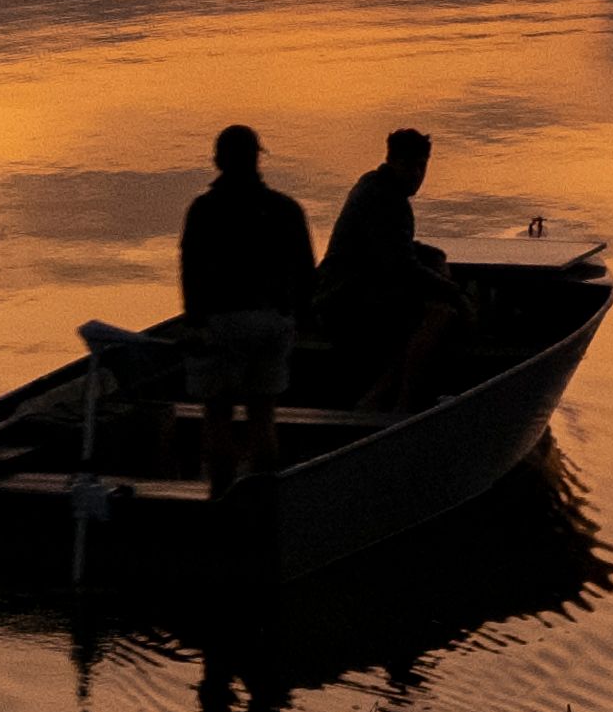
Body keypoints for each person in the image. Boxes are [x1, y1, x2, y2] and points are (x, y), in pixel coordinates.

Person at [174, 124, 316, 474]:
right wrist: (295, 316)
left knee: (218, 416)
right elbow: (305, 272)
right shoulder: (285, 209)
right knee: (263, 417)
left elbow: (190, 270)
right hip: (271, 321)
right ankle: (265, 499)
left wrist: (194, 323)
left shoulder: (204, 210)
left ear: (217, 161)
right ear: (257, 160)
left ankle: (222, 498)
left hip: (222, 321)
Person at [318, 125, 456, 409]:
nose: (417, 174)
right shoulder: (384, 198)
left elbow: (392, 246)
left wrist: (434, 257)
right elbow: (401, 266)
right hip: (343, 298)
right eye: (409, 166)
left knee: (418, 310)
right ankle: (402, 405)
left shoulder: (374, 185)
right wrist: (453, 291)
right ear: (392, 161)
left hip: (354, 289)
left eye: (422, 166)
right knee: (438, 314)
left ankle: (379, 397)